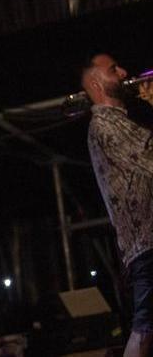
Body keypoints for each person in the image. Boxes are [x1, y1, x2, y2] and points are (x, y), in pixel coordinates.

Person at [81, 54, 153, 357]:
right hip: (148, 244)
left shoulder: (120, 122)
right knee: (146, 331)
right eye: (114, 69)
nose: (124, 72)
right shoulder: (104, 125)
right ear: (97, 85)